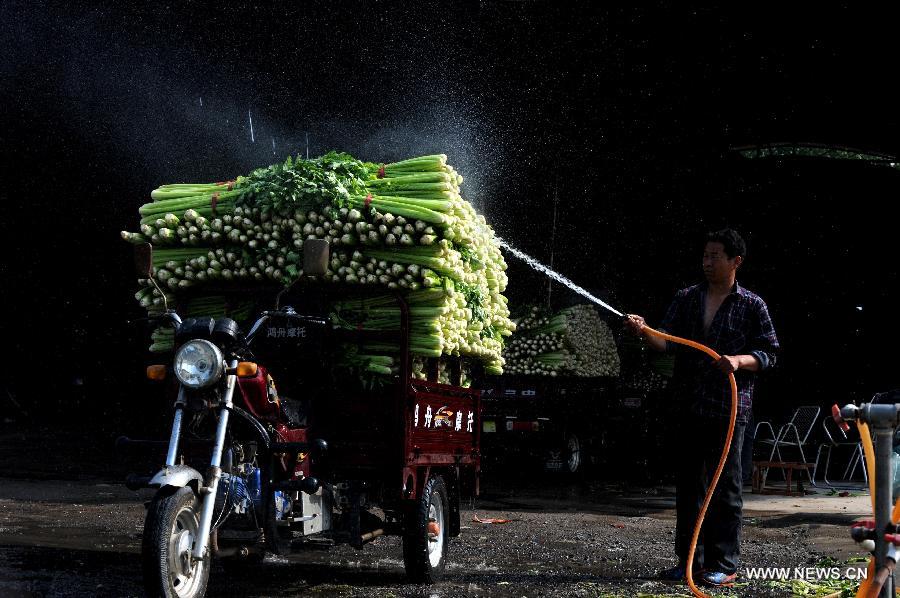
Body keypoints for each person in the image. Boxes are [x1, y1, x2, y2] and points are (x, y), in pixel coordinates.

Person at [624, 228, 779, 588]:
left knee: (725, 487)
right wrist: (644, 330)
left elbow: (770, 354)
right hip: (689, 404)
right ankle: (689, 562)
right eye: (705, 255)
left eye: (715, 256)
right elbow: (667, 343)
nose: (707, 262)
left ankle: (724, 563)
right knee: (689, 486)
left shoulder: (752, 305)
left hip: (729, 409)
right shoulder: (687, 298)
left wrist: (739, 361)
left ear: (735, 261)